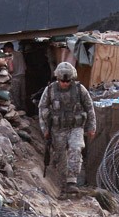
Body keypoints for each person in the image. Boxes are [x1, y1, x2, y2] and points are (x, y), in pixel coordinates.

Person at [38, 62, 96, 196]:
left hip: (76, 127)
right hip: (58, 129)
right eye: (62, 81)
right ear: (57, 79)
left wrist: (92, 127)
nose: (64, 83)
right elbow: (42, 108)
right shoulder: (50, 90)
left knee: (75, 148)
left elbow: (89, 107)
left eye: (67, 81)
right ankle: (63, 184)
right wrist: (45, 129)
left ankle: (72, 181)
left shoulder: (80, 90)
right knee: (60, 156)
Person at [4, 41, 26, 110]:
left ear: (8, 48)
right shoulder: (20, 54)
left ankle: (20, 113)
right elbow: (25, 67)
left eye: (5, 49)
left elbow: (11, 69)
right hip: (22, 77)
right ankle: (25, 110)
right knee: (23, 96)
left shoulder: (9, 56)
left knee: (16, 97)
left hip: (15, 78)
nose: (5, 51)